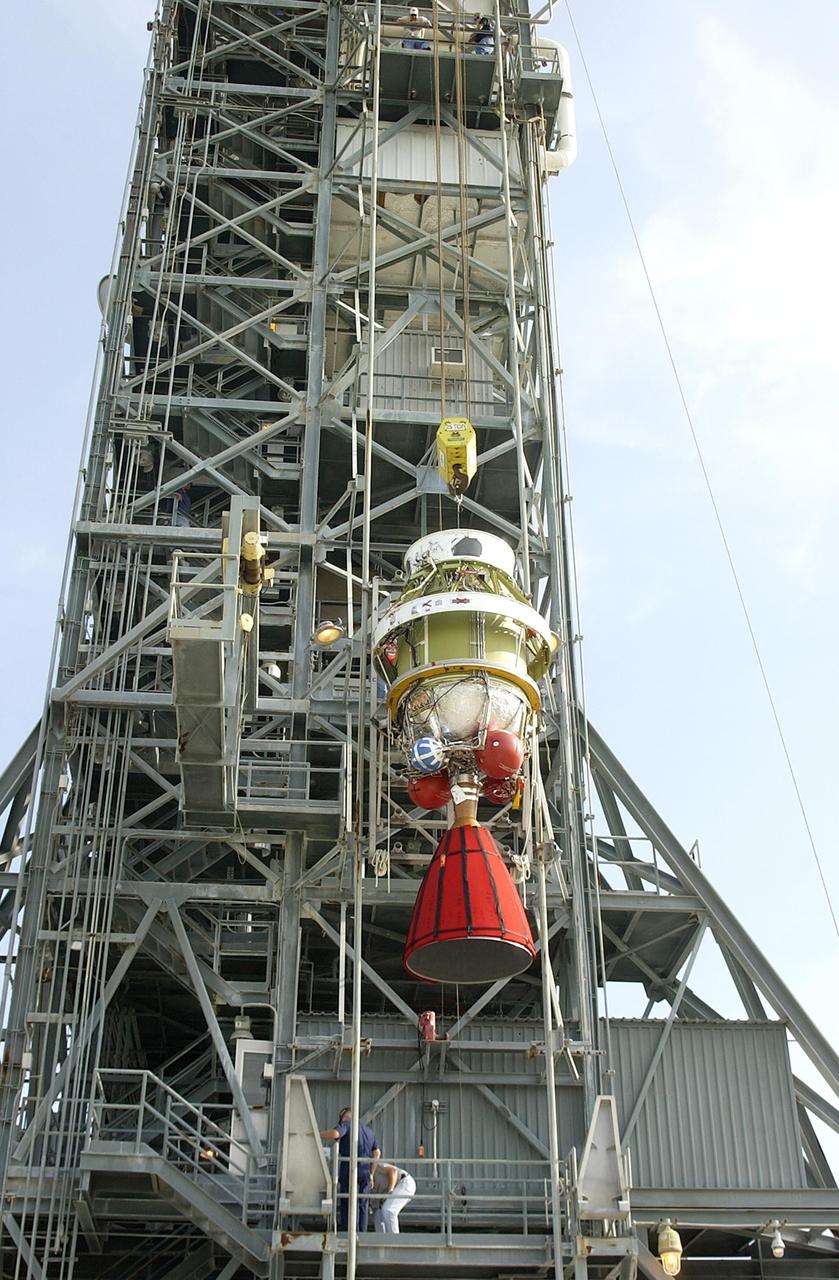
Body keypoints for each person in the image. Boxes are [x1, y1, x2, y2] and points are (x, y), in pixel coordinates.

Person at [320, 1107, 381, 1232]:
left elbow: (335, 1134)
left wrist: (316, 1135)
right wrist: (371, 1173)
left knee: (346, 1199)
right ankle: (361, 1232)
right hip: (365, 1169)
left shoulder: (346, 1124)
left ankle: (348, 1231)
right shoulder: (369, 1131)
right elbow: (377, 1153)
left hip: (349, 1167)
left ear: (345, 1117)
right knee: (363, 1202)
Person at [372, 1160, 416, 1234]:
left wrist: (390, 1190)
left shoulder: (375, 1166)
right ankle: (382, 1243)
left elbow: (393, 1171)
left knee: (389, 1210)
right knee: (378, 1216)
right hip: (389, 1192)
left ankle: (395, 1242)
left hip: (404, 1182)